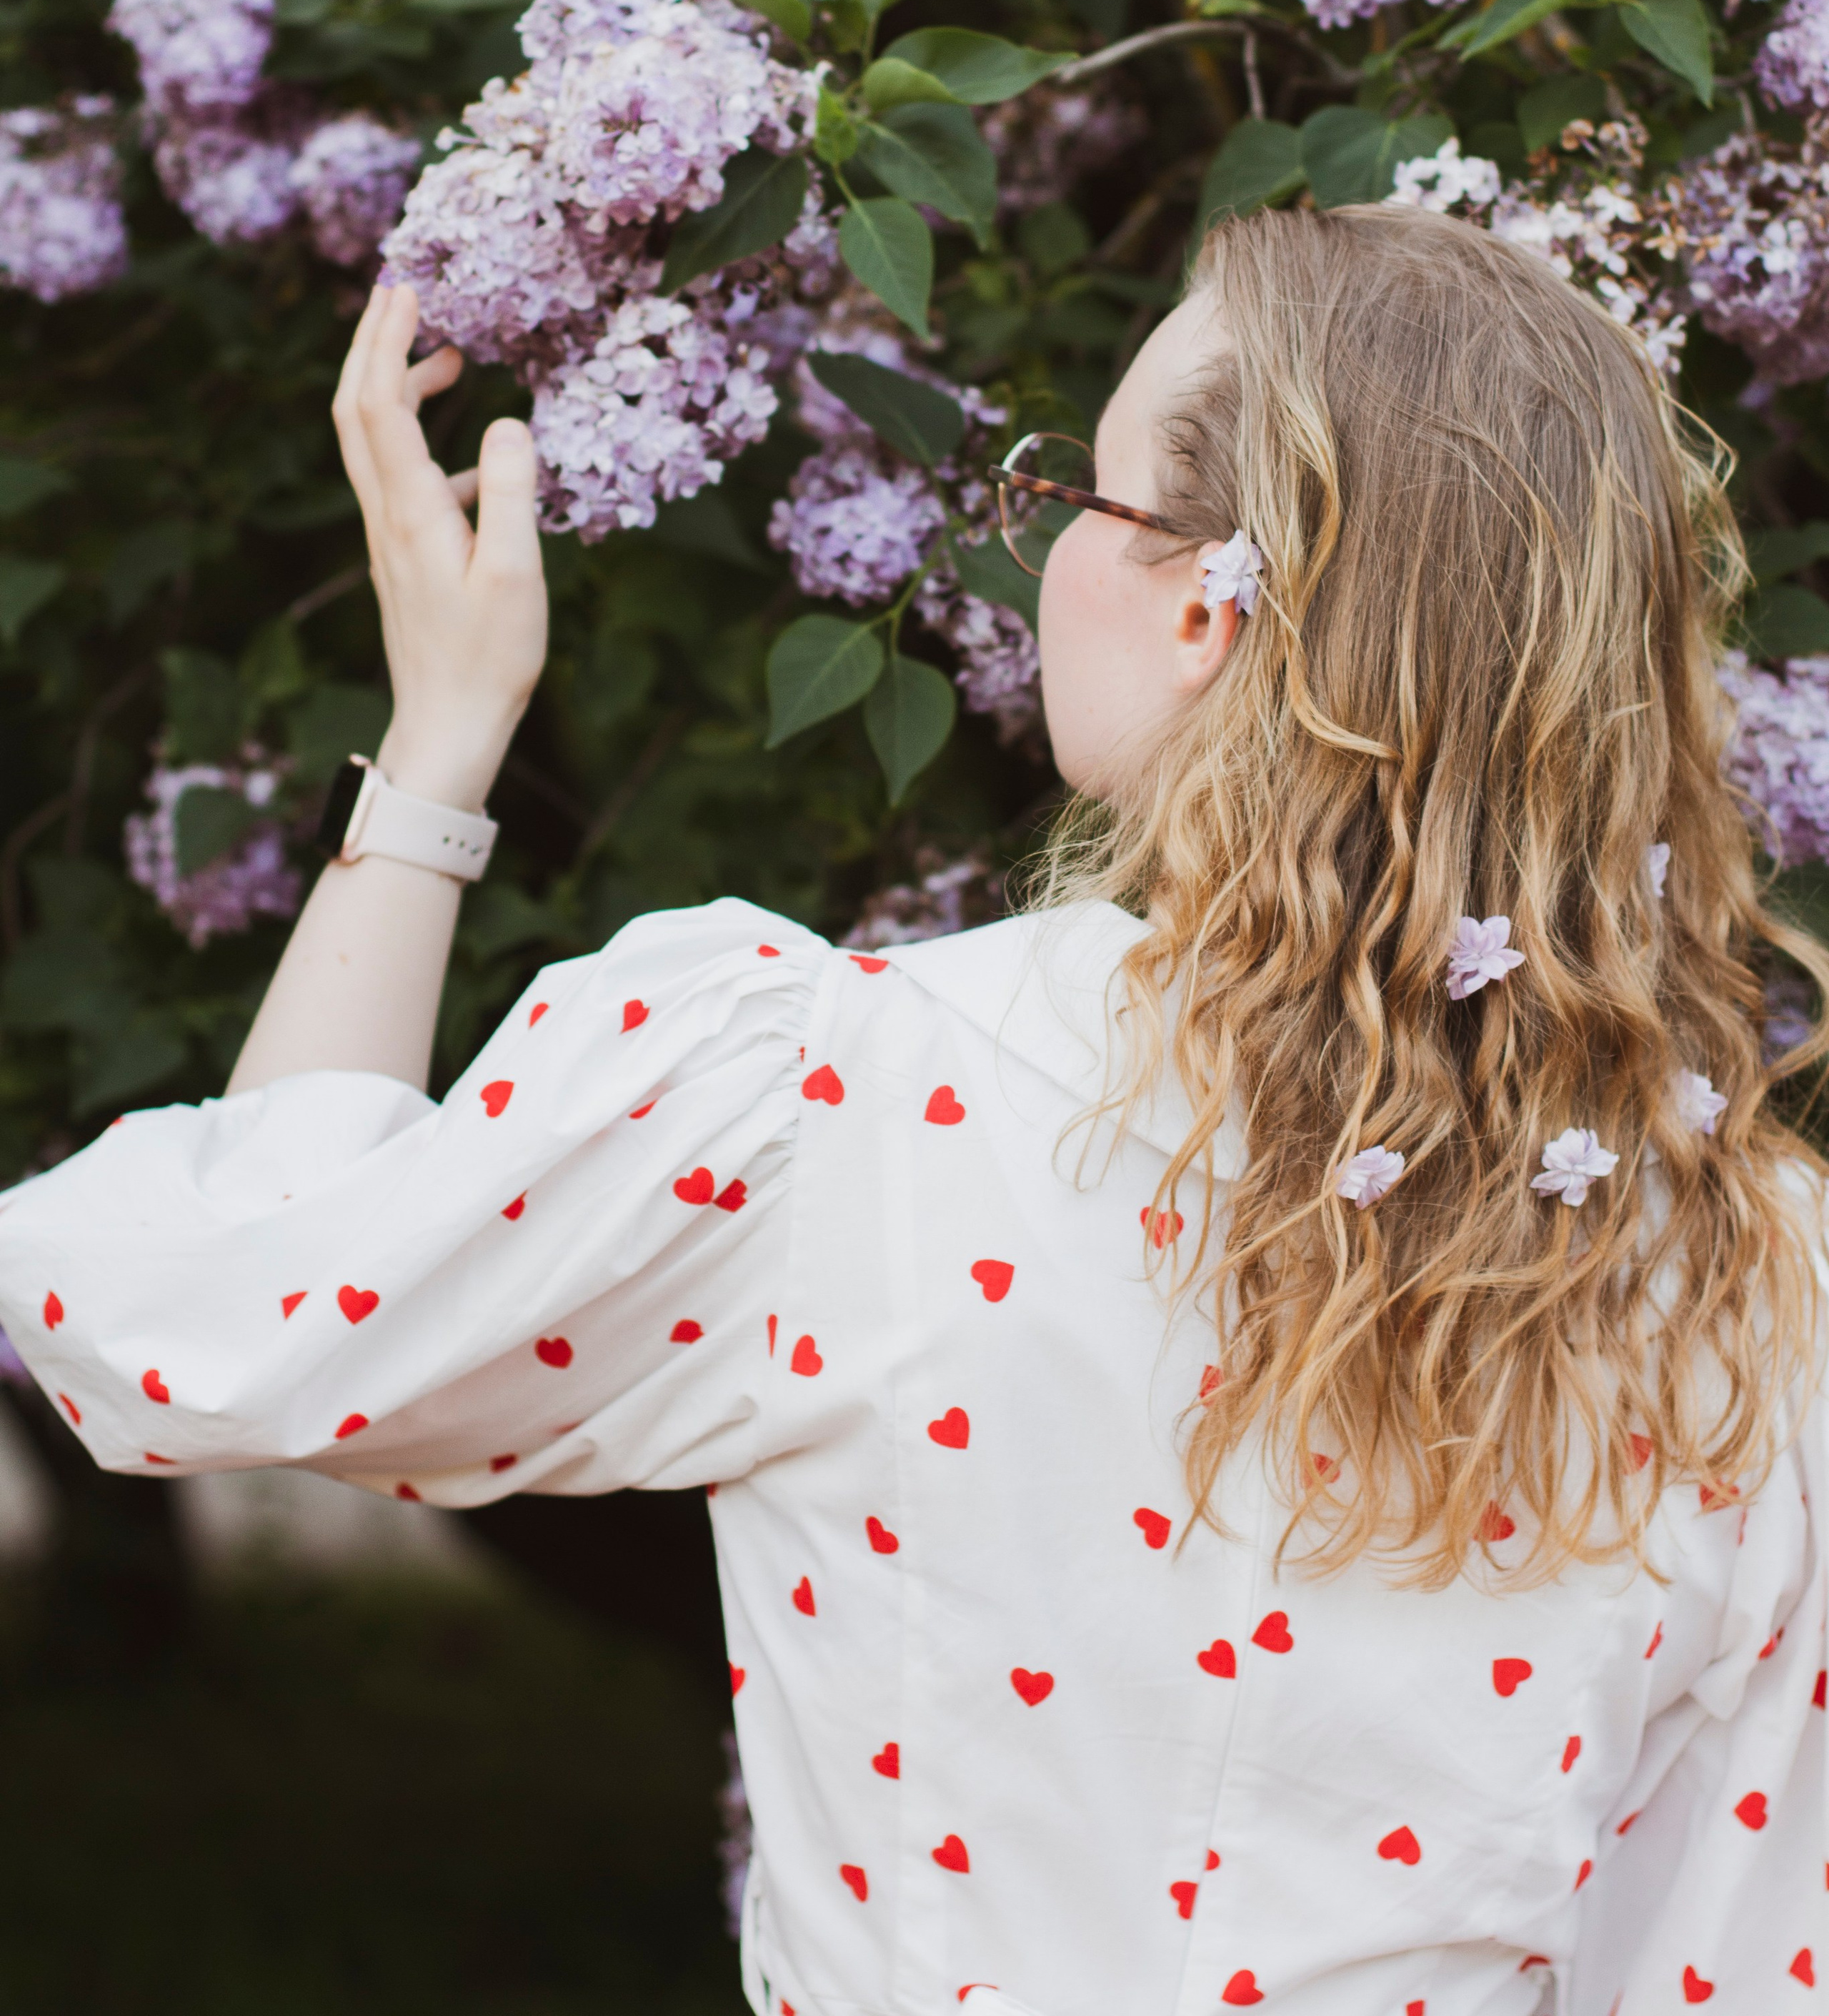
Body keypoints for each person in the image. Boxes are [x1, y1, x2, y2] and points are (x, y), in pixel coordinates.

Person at [2, 203, 1827, 2015]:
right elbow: (1733, 1956)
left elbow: (221, 1326)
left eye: (1082, 497)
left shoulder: (840, 1107)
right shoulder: (1762, 1292)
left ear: (1209, 604)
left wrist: (436, 749)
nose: (1041, 550)